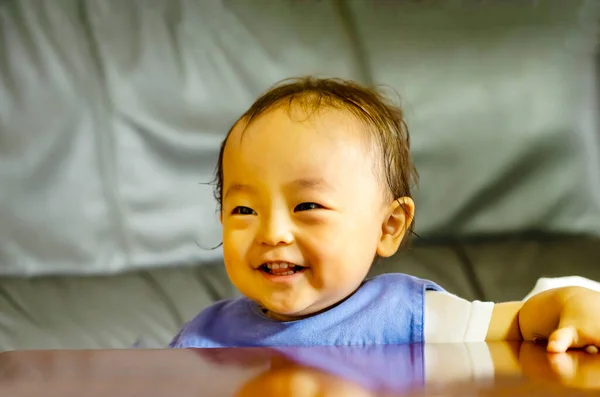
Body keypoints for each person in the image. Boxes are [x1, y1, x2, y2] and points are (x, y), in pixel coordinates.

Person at [169, 77, 600, 352]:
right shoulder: (204, 340)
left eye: (307, 206)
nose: (273, 232)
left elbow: (520, 323)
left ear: (388, 227)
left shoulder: (403, 313)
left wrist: (571, 301)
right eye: (244, 209)